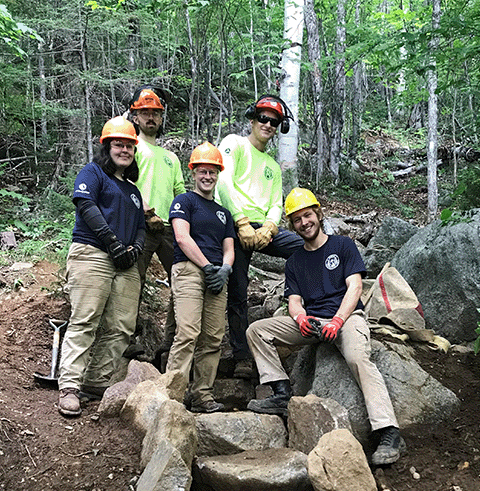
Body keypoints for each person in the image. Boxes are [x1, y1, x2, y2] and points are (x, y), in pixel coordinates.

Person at [246, 187, 406, 466]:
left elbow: (355, 286)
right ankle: (282, 393)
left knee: (358, 358)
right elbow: (294, 300)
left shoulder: (343, 245)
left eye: (307, 215)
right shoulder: (295, 261)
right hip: (312, 323)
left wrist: (338, 320)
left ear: (318, 214)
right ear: (292, 225)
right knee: (257, 330)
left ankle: (388, 431)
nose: (304, 222)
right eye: (296, 219)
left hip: (345, 319)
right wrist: (300, 318)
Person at [57, 117, 145, 418]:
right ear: (106, 146)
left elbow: (140, 226)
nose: (124, 150)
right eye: (118, 144)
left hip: (124, 262)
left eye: (129, 145)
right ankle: (69, 386)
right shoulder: (93, 173)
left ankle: (96, 383)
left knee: (121, 325)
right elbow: (85, 205)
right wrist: (110, 241)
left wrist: (135, 248)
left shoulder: (133, 190)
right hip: (93, 252)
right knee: (86, 319)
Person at [216, 95, 304, 379]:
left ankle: (302, 304)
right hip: (233, 223)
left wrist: (269, 227)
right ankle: (242, 355)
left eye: (274, 121)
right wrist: (241, 221)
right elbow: (223, 180)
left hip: (262, 228)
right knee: (238, 291)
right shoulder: (234, 144)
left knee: (306, 247)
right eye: (263, 118)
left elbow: (276, 202)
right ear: (252, 120)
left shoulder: (273, 166)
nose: (268, 124)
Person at [166, 142, 235, 413]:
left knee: (213, 338)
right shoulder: (184, 201)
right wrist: (207, 266)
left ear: (218, 174)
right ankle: (173, 393)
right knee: (187, 332)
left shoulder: (223, 213)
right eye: (202, 171)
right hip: (189, 270)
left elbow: (229, 249)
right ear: (193, 172)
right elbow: (182, 237)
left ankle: (202, 395)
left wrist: (224, 270)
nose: (208, 177)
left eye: (212, 172)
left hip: (217, 275)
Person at [129, 87, 186, 355]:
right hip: (138, 224)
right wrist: (145, 210)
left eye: (155, 114)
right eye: (145, 113)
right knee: (133, 281)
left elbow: (181, 194)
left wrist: (185, 220)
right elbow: (124, 181)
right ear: (135, 116)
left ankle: (171, 341)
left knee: (182, 281)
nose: (150, 118)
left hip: (168, 228)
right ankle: (128, 340)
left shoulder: (171, 157)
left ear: (161, 118)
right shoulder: (131, 148)